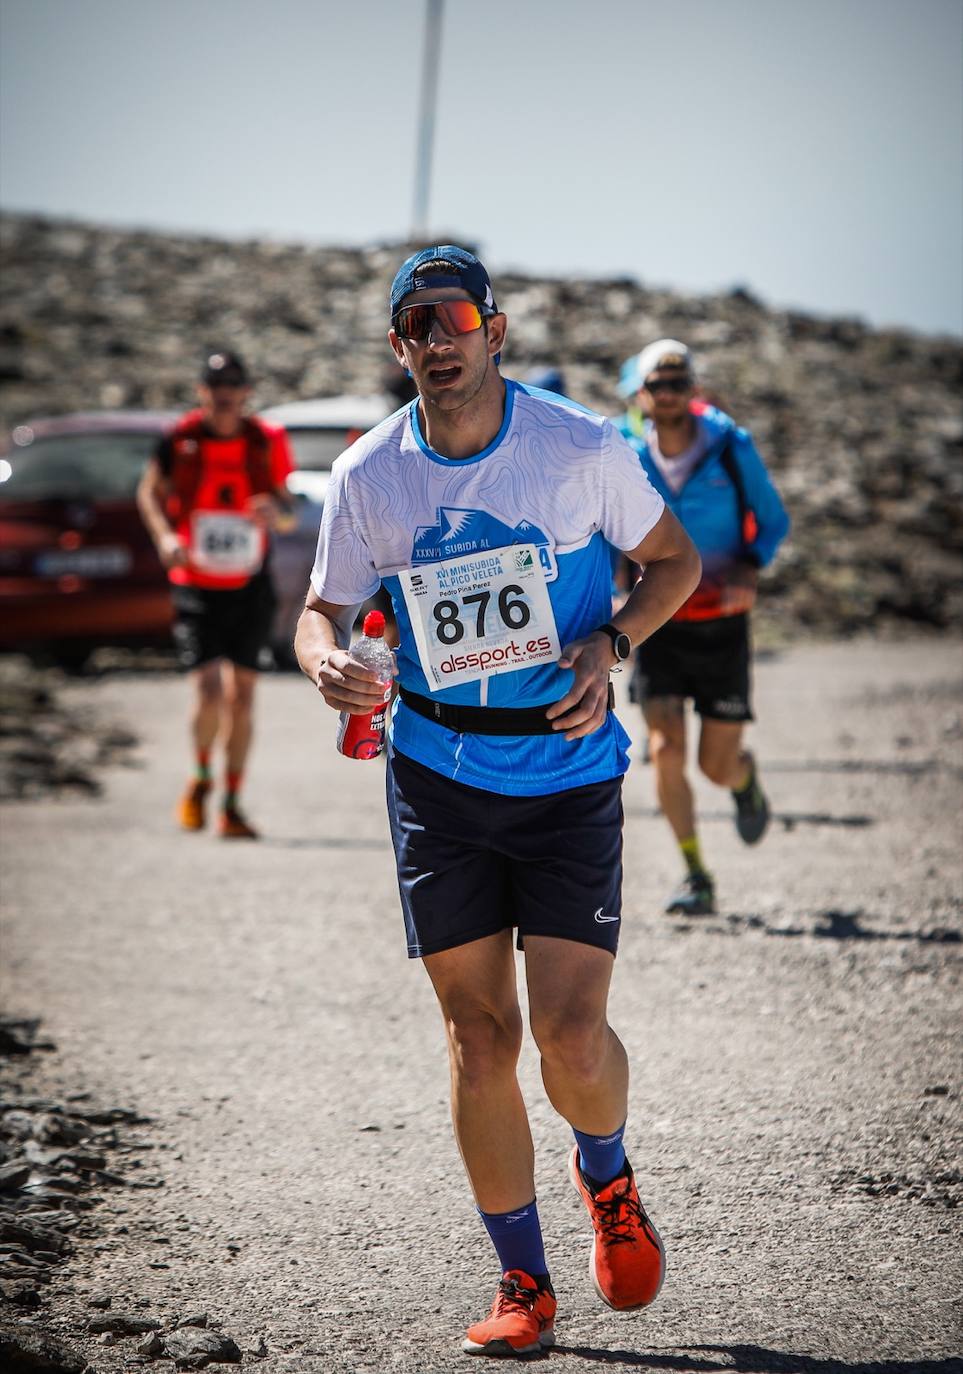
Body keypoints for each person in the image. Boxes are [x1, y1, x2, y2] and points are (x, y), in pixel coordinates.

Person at [295, 246, 701, 1357]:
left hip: (568, 774)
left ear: (496, 328)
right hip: (437, 779)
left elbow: (674, 563)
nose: (437, 340)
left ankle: (607, 1177)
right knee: (480, 1044)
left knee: (570, 1041)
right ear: (399, 346)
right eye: (414, 324)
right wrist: (325, 658)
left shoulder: (577, 448)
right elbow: (321, 609)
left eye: (455, 318)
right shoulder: (371, 474)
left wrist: (610, 642)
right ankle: (523, 1281)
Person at [614, 339, 790, 916]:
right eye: (656, 385)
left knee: (714, 765)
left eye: (677, 384)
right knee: (664, 749)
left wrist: (748, 565)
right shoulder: (623, 449)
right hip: (656, 619)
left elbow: (772, 519)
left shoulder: (729, 446)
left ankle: (743, 780)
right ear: (640, 394)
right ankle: (695, 873)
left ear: (692, 389)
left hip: (722, 624)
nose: (667, 395)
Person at [137, 350, 296, 839]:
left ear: (246, 392)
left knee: (242, 699)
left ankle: (231, 803)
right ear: (201, 391)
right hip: (196, 587)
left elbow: (289, 510)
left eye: (232, 386)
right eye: (214, 385)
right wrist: (165, 536)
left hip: (249, 584)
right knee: (208, 693)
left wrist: (276, 513)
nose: (223, 394)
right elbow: (147, 492)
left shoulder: (265, 441)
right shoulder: (179, 438)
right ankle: (201, 774)